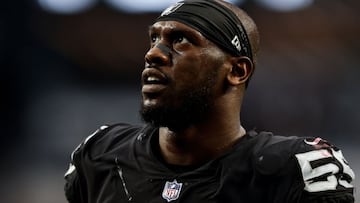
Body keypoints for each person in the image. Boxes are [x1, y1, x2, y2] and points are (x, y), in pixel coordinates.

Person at [64, 0, 355, 202]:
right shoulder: (101, 155)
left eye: (180, 40)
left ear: (237, 71)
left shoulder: (290, 170)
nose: (153, 54)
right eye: (154, 39)